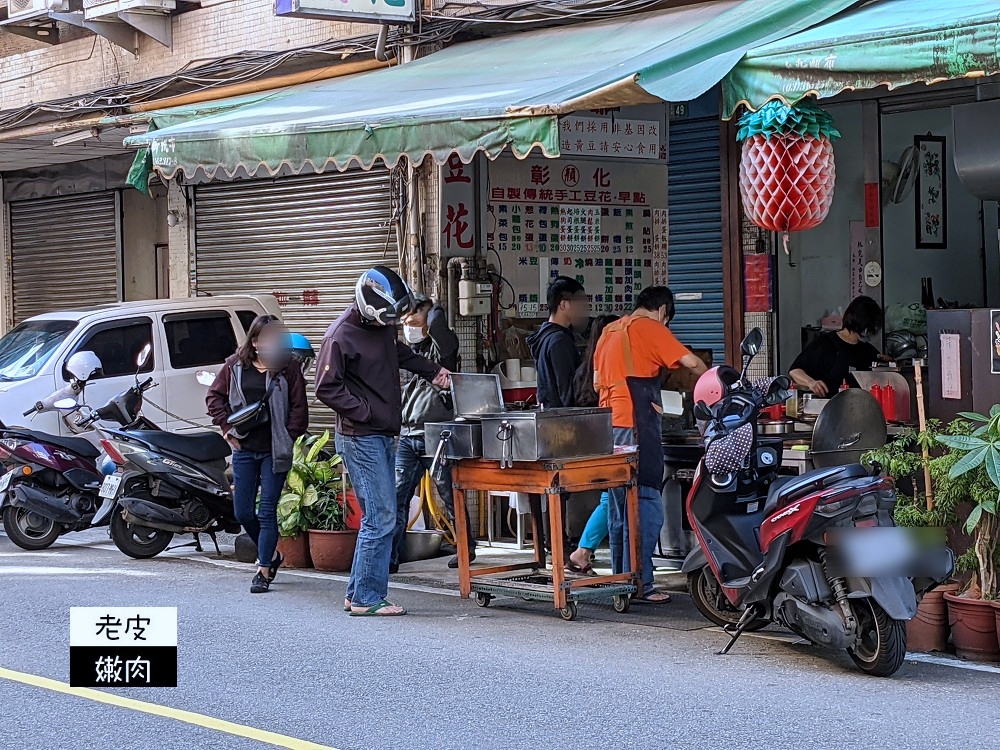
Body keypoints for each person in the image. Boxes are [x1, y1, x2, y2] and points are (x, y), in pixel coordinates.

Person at [315, 266, 450, 617]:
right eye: (386, 319)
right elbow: (326, 388)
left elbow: (398, 353)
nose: (391, 324)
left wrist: (432, 371)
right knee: (382, 516)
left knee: (381, 514)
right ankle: (367, 597)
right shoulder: (339, 336)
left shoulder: (381, 327)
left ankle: (356, 592)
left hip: (383, 433)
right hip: (361, 437)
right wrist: (364, 411)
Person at [595, 287, 707, 602]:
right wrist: (714, 384)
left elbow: (595, 380)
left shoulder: (609, 331)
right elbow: (692, 362)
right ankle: (642, 583)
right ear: (661, 311)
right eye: (667, 321)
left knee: (619, 505)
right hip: (636, 424)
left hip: (607, 425)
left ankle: (621, 580)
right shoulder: (650, 328)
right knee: (646, 502)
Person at [206, 315, 309, 594]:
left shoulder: (289, 368)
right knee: (242, 512)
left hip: (274, 452)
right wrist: (227, 428)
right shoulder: (235, 366)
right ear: (255, 341)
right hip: (244, 450)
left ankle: (263, 570)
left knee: (267, 512)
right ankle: (273, 555)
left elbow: (300, 407)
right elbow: (214, 397)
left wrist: (288, 436)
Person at [390, 294, 476, 573]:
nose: (408, 326)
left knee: (449, 492)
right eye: (404, 322)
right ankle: (390, 555)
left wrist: (433, 309)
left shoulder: (443, 349)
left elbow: (440, 326)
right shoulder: (403, 352)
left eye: (413, 320)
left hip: (437, 433)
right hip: (407, 433)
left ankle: (466, 549)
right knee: (397, 494)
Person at [567, 314, 619, 574]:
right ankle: (582, 551)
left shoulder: (585, 369)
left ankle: (584, 551)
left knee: (609, 497)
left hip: (593, 440)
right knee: (611, 498)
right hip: (609, 440)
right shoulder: (608, 369)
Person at [789, 295, 884, 397]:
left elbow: (881, 367)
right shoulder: (825, 344)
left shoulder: (866, 349)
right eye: (869, 328)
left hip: (857, 406)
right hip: (828, 407)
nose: (870, 333)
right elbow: (794, 371)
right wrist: (811, 383)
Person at [527, 276, 589, 408]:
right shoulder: (559, 340)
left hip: (552, 418)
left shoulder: (546, 337)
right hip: (563, 421)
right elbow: (568, 394)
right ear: (563, 304)